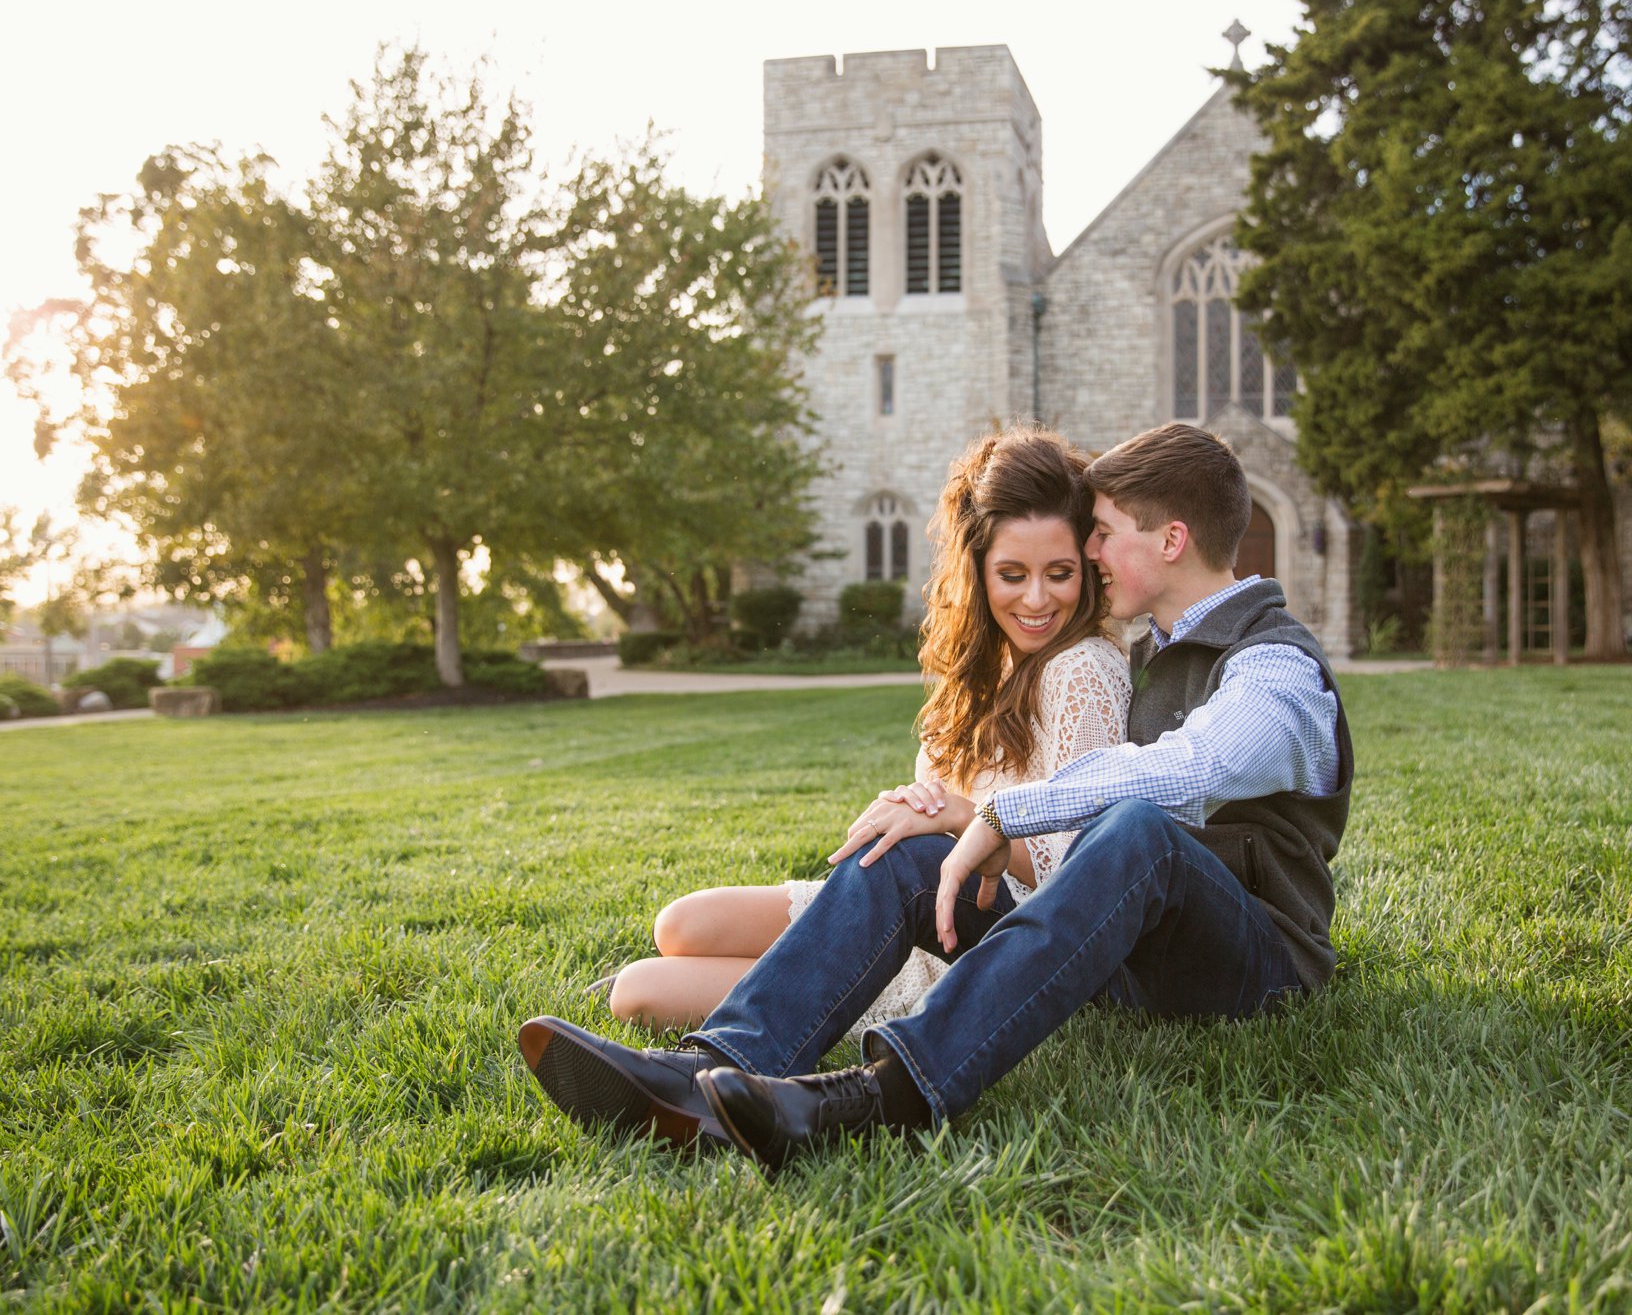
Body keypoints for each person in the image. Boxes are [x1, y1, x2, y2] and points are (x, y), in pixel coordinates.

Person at [519, 422, 1351, 1169]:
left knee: (1135, 828)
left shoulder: (1276, 669)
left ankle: (885, 1093)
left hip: (1257, 963)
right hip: (1136, 953)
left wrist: (997, 811)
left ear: (1171, 540)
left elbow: (1191, 767)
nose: (1091, 554)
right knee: (918, 856)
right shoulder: (1155, 656)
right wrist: (943, 814)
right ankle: (707, 1069)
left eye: (1100, 534)